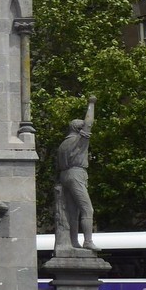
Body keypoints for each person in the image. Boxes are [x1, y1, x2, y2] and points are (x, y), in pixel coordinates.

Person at [55, 96, 96, 251]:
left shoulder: (62, 145)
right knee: (87, 209)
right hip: (77, 174)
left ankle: (73, 242)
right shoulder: (79, 140)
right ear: (79, 130)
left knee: (74, 212)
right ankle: (88, 241)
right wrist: (91, 104)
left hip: (64, 175)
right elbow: (89, 123)